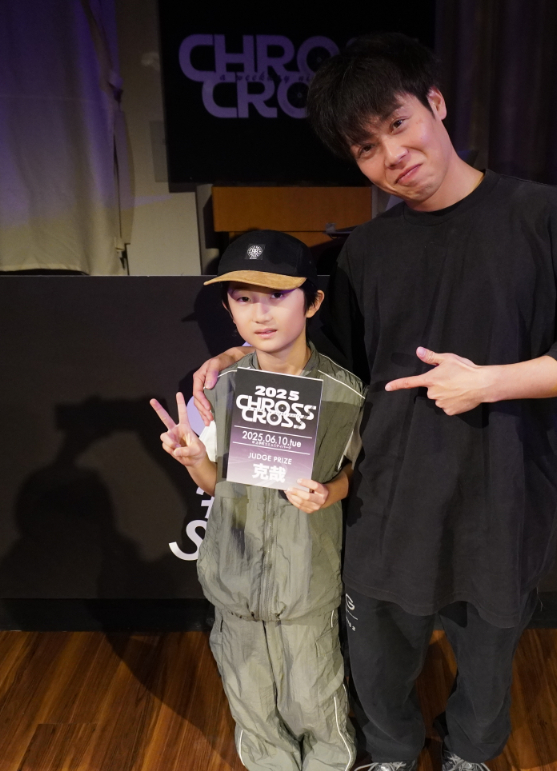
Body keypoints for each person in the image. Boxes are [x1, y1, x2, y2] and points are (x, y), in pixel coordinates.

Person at [193, 34, 557, 771]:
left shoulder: (547, 217)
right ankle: (392, 750)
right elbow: (333, 359)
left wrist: (487, 381)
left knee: (488, 637)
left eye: (398, 124)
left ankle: (470, 752)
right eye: (366, 148)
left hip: (502, 481)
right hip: (390, 485)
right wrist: (242, 354)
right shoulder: (367, 250)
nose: (392, 156)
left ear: (436, 104)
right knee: (378, 636)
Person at [153, 229, 366, 771]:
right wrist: (192, 459)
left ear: (312, 302)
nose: (261, 313)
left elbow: (361, 474)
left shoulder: (346, 394)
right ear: (228, 308)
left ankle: (329, 763)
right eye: (244, 298)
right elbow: (215, 485)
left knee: (315, 692)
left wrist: (329, 492)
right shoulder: (218, 387)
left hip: (306, 580)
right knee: (250, 696)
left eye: (277, 295)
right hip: (235, 576)